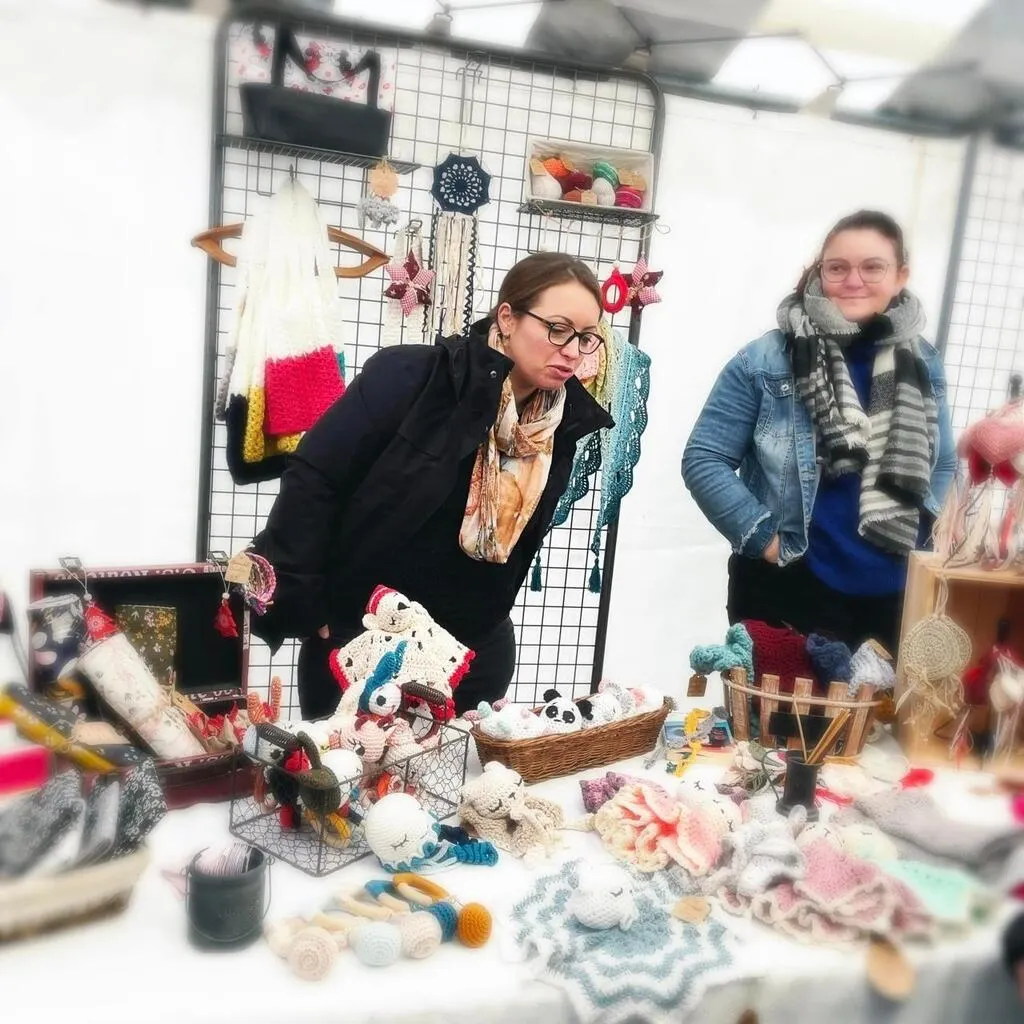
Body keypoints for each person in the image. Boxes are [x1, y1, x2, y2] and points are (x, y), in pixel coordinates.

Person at [249, 252, 612, 720]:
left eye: (585, 337)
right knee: (351, 766)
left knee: (461, 770)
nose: (572, 351)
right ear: (507, 318)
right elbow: (315, 476)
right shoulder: (415, 378)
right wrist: (306, 602)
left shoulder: (558, 424)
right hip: (368, 645)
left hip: (473, 658)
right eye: (558, 329)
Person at [683, 210, 957, 654]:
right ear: (819, 271)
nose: (854, 280)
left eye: (873, 267)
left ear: (900, 276)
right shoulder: (767, 359)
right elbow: (704, 458)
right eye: (838, 267)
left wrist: (933, 544)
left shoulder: (923, 361)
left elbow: (943, 461)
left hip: (899, 598)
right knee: (784, 704)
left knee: (882, 705)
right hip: (789, 588)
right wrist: (765, 540)